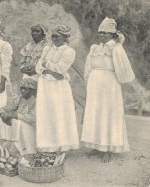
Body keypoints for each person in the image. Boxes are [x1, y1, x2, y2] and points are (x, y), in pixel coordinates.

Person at [81, 17, 135, 163]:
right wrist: (89, 82)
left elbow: (124, 71)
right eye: (100, 32)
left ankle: (108, 149)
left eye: (105, 33)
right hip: (95, 85)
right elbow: (88, 67)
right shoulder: (95, 48)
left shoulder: (116, 48)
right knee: (95, 114)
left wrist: (114, 80)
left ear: (112, 34)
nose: (101, 35)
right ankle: (97, 145)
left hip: (109, 86)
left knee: (108, 115)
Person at [35, 24, 79, 153]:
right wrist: (48, 71)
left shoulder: (69, 51)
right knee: (46, 113)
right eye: (52, 36)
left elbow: (61, 69)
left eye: (57, 36)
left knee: (59, 113)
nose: (54, 39)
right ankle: (48, 145)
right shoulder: (47, 49)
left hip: (59, 87)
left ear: (65, 37)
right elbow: (38, 67)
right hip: (45, 85)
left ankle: (61, 145)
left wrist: (46, 66)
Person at [0, 78, 37, 156]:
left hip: (32, 128)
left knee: (19, 123)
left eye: (26, 89)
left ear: (32, 90)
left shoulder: (36, 101)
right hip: (19, 126)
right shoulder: (19, 99)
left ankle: (25, 150)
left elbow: (32, 118)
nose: (23, 91)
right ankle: (4, 147)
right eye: (21, 88)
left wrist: (12, 115)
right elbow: (3, 108)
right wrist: (3, 115)